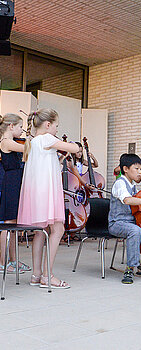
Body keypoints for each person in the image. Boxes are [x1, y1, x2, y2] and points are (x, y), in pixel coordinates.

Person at [17, 108, 80, 289]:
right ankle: (48, 275)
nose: (57, 130)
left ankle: (36, 274)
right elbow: (75, 148)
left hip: (35, 193)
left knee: (40, 231)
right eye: (56, 126)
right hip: (47, 192)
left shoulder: (32, 142)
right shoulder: (48, 139)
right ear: (48, 124)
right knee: (58, 229)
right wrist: (74, 146)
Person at [108, 153, 141, 284]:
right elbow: (127, 200)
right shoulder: (120, 183)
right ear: (126, 169)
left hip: (131, 221)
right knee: (135, 231)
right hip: (117, 223)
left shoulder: (132, 185)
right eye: (136, 169)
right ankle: (130, 268)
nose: (140, 172)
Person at [0, 114, 30, 274]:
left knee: (13, 225)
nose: (22, 130)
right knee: (7, 224)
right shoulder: (6, 142)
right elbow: (27, 148)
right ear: (11, 126)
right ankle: (2, 263)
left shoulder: (13, 142)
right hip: (10, 183)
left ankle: (12, 260)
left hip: (16, 182)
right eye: (20, 127)